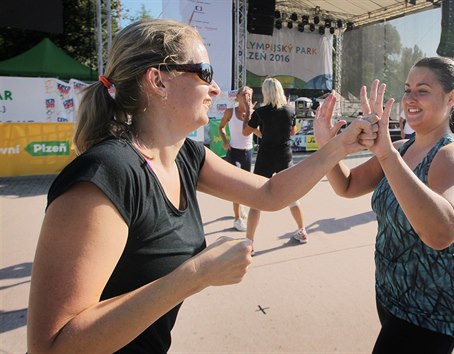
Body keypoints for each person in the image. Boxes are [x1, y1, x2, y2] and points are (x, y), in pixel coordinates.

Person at [27, 19, 380, 353]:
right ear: (158, 81)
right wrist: (195, 275)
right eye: (204, 73)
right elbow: (52, 346)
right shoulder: (106, 174)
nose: (214, 88)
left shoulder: (186, 156)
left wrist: (339, 147)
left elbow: (270, 194)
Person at [314, 57, 454, 353]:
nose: (410, 99)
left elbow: (442, 233)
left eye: (423, 90)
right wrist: (329, 148)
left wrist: (387, 154)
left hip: (430, 309)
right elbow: (348, 185)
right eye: (408, 89)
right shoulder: (403, 148)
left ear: (452, 97)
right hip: (391, 295)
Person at [242, 78, 307, 249]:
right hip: (285, 156)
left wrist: (250, 116)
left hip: (265, 156)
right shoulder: (290, 110)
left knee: (256, 199)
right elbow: (292, 132)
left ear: (265, 92)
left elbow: (245, 132)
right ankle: (302, 230)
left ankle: (249, 242)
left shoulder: (260, 112)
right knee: (292, 196)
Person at [219, 86, 261, 231]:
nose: (246, 96)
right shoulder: (230, 112)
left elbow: (259, 134)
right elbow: (221, 127)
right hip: (234, 152)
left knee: (246, 185)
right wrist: (225, 141)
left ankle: (240, 207)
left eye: (249, 94)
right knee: (237, 187)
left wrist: (249, 120)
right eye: (243, 94)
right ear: (237, 97)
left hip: (248, 153)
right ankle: (237, 219)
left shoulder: (254, 113)